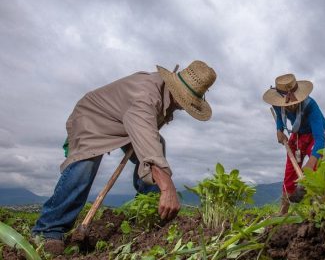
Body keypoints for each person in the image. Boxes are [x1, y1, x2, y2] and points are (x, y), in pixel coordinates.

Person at [32, 60, 216, 254]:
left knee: (158, 145)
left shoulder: (165, 97)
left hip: (123, 122)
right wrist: (167, 186)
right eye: (186, 100)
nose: (185, 107)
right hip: (92, 118)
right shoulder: (146, 96)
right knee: (85, 164)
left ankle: (147, 214)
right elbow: (147, 141)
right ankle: (49, 230)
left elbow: (149, 138)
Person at [263, 73, 325, 214]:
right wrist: (279, 129)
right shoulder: (277, 104)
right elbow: (280, 116)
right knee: (290, 171)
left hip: (314, 135)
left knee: (316, 168)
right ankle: (283, 211)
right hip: (297, 135)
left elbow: (320, 139)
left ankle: (321, 210)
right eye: (287, 104)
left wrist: (311, 163)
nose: (290, 107)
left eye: (294, 104)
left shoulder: (311, 106)